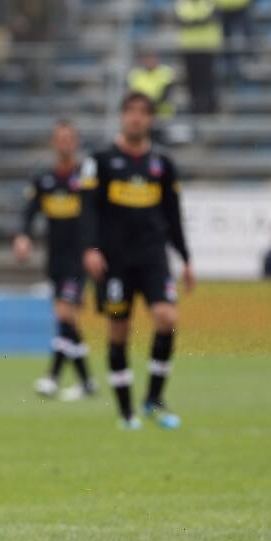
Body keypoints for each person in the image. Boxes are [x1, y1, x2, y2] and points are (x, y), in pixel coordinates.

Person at [80, 92, 192, 430]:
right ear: (122, 117)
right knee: (118, 330)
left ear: (150, 120)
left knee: (166, 317)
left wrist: (186, 259)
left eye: (143, 113)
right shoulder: (99, 161)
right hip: (115, 263)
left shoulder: (162, 164)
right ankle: (126, 412)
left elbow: (173, 215)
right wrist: (90, 248)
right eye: (131, 112)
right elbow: (87, 210)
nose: (136, 119)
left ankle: (154, 400)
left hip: (153, 258)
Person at [14, 121, 96, 401]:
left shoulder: (87, 177)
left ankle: (52, 378)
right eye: (60, 138)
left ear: (77, 142)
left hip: (79, 257)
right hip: (55, 258)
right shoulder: (44, 178)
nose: (64, 143)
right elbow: (29, 211)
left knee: (64, 315)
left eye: (69, 138)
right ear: (53, 143)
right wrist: (23, 235)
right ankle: (87, 383)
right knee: (69, 321)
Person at [174, 0, 222, 114]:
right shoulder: (182, 3)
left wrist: (194, 22)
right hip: (189, 48)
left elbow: (204, 19)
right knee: (192, 80)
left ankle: (210, 107)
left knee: (208, 79)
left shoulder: (209, 2)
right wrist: (198, 22)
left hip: (207, 47)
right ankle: (195, 107)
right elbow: (184, 21)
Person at [209, 0, 256, 82]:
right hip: (223, 7)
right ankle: (228, 61)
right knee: (225, 35)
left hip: (242, 6)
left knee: (247, 33)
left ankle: (249, 57)